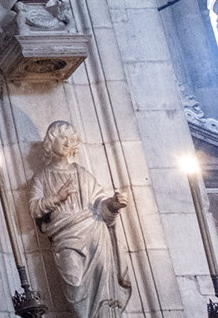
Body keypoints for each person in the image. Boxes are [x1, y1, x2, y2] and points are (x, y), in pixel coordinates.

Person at [29, 120, 131, 316]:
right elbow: (34, 208)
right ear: (51, 141)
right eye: (62, 138)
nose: (67, 143)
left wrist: (112, 203)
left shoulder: (81, 173)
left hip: (94, 231)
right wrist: (56, 198)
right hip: (65, 236)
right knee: (74, 284)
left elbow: (98, 202)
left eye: (71, 139)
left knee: (102, 276)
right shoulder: (42, 176)